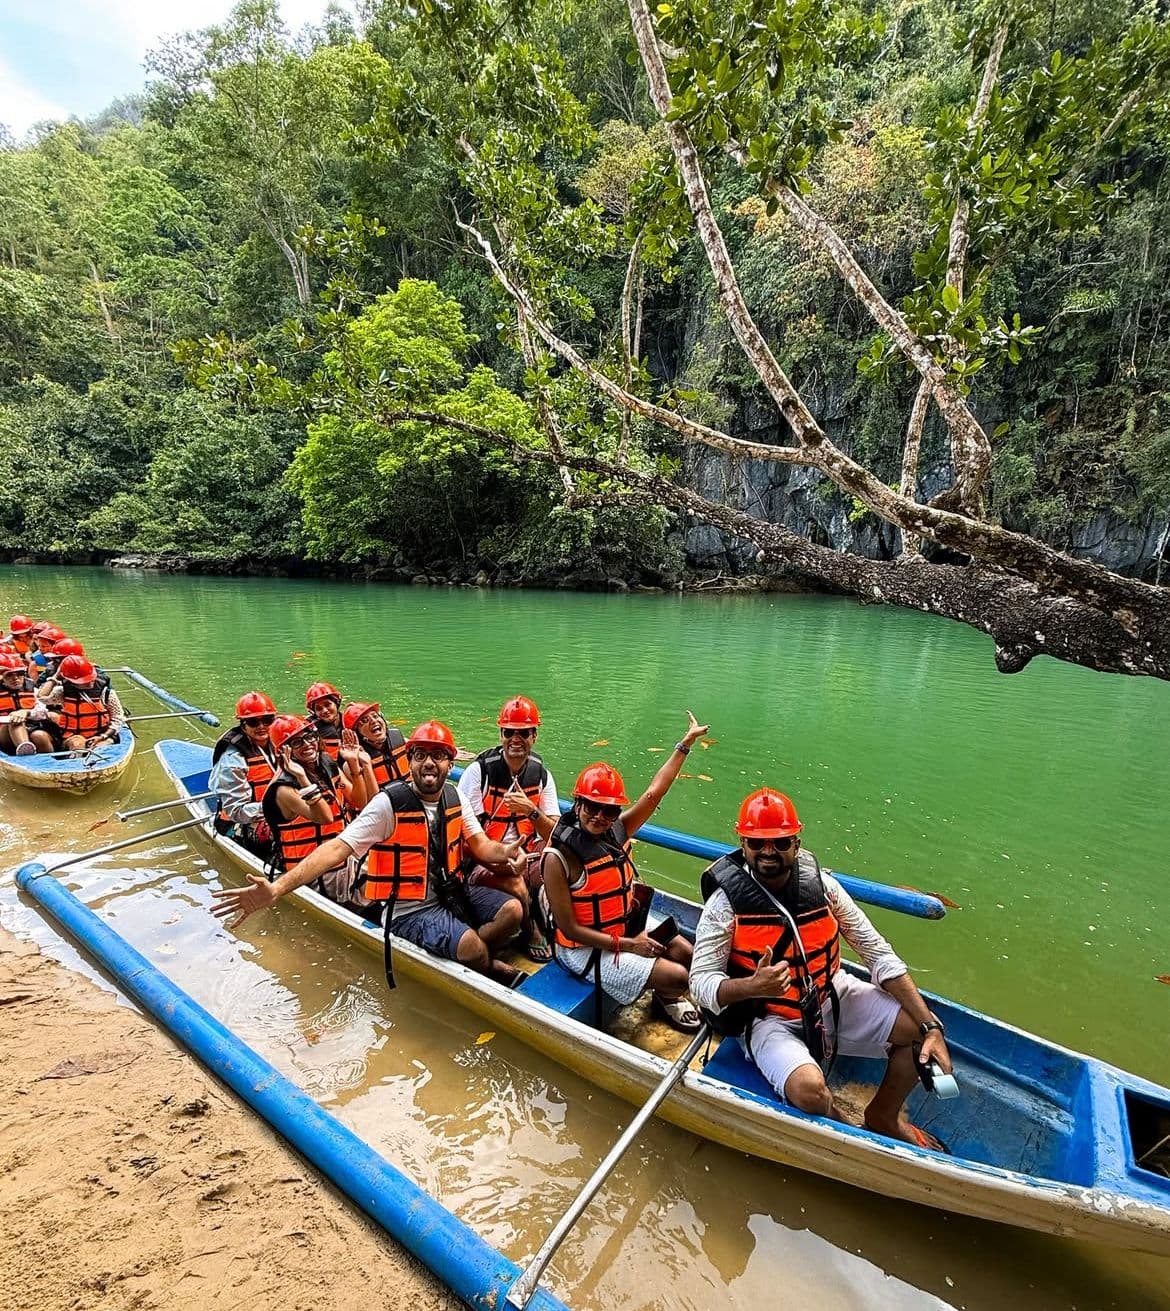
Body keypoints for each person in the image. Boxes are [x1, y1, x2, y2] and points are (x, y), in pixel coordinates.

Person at [688, 788, 953, 1150]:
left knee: (921, 1032)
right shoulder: (724, 905)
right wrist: (751, 986)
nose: (768, 852)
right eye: (757, 842)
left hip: (832, 994)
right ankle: (851, 1132)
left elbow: (877, 953)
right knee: (810, 1093)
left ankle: (883, 1118)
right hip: (769, 1019)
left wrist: (931, 1025)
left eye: (780, 842)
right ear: (743, 843)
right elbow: (701, 982)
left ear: (796, 843)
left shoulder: (824, 888)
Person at [211, 719, 528, 988]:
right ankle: (485, 964)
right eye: (420, 755)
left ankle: (477, 957)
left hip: (449, 890)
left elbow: (482, 845)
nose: (429, 763)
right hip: (407, 907)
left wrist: (506, 852)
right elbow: (335, 848)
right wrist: (277, 888)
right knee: (471, 946)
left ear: (450, 761)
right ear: (411, 760)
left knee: (513, 911)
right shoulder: (390, 804)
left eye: (438, 756)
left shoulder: (453, 794)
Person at [540, 711, 708, 1032]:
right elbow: (571, 929)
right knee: (679, 976)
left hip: (621, 925)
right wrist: (631, 946)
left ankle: (664, 996)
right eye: (592, 806)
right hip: (583, 949)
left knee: (686, 953)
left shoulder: (618, 830)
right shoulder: (558, 858)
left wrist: (683, 745)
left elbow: (654, 792)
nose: (600, 816)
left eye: (609, 809)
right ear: (577, 805)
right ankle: (669, 992)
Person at [458, 695, 559, 961]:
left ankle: (563, 926)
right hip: (482, 858)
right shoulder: (479, 773)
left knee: (560, 860)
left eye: (523, 733)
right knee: (515, 881)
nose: (516, 739)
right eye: (509, 732)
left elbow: (554, 833)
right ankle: (531, 930)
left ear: (534, 735)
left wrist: (530, 810)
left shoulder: (541, 775)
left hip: (525, 852)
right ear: (501, 734)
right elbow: (464, 837)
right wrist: (502, 857)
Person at [260, 715, 377, 877]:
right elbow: (325, 817)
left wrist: (354, 765)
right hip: (313, 870)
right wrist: (301, 777)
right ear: (284, 751)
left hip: (342, 853)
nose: (307, 745)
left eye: (309, 737)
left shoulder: (325, 763)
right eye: (296, 742)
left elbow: (359, 802)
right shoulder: (284, 789)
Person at [210, 692, 279, 859]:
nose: (262, 726)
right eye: (254, 722)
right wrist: (280, 809)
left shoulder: (280, 742)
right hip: (240, 820)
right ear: (243, 725)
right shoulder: (233, 760)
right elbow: (236, 811)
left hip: (275, 810)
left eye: (267, 720)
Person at [35, 654, 126, 751]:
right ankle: (74, 762)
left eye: (91, 679)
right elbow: (42, 697)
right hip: (74, 736)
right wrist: (55, 677)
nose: (90, 683)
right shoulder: (63, 692)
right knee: (78, 744)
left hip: (102, 735)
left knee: (100, 748)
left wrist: (103, 736)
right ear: (71, 681)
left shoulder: (106, 693)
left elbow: (118, 718)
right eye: (84, 682)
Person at [342, 701, 409, 787]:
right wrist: (366, 765)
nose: (373, 721)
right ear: (356, 734)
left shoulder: (402, 741)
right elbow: (367, 799)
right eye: (364, 721)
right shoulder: (351, 765)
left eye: (375, 716)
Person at [0, 653, 44, 755]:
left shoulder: (32, 688)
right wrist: (11, 717)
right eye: (9, 675)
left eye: (19, 674)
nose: (15, 678)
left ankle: (53, 762)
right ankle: (26, 751)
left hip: (30, 727)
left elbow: (44, 712)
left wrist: (26, 712)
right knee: (15, 721)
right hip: (3, 733)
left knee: (40, 736)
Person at [305, 682, 343, 761]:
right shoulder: (309, 728)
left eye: (327, 704)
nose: (325, 710)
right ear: (314, 713)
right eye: (319, 708)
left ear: (337, 703)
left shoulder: (350, 721)